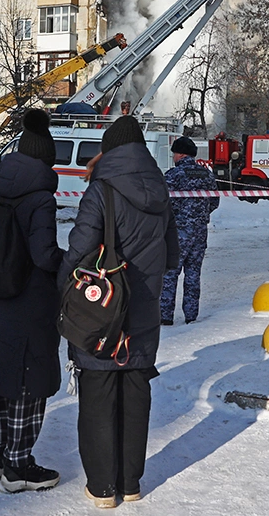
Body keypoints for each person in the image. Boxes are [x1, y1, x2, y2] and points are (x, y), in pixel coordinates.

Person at [60, 114, 178, 508]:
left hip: (102, 312)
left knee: (98, 395)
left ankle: (102, 488)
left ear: (107, 150)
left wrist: (62, 289)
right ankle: (130, 483)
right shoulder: (160, 189)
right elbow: (172, 256)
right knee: (135, 394)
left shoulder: (101, 191)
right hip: (143, 313)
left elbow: (78, 250)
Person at [0, 110, 65, 493]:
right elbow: (44, 255)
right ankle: (18, 466)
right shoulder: (39, 197)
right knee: (30, 379)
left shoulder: (0, 189)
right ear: (47, 160)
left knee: (1, 374)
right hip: (29, 300)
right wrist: (69, 263)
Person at [161, 136, 219, 325]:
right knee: (193, 274)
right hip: (200, 232)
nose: (174, 157)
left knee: (170, 273)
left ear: (180, 154)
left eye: (174, 154)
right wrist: (200, 214)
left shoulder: (174, 174)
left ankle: (165, 315)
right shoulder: (207, 174)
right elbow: (214, 202)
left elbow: (163, 202)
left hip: (178, 232)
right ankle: (191, 316)